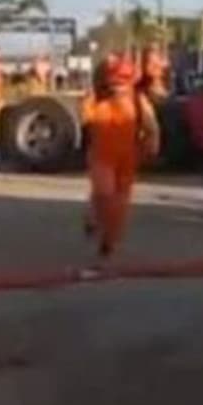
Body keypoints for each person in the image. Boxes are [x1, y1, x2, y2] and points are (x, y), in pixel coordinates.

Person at [79, 56, 159, 261]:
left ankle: (109, 240)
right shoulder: (95, 99)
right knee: (104, 194)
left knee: (120, 204)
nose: (118, 88)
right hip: (101, 156)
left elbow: (151, 126)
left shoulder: (138, 100)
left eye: (123, 83)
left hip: (128, 158)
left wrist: (152, 145)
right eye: (114, 83)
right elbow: (84, 121)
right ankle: (95, 219)